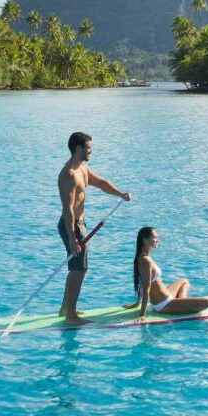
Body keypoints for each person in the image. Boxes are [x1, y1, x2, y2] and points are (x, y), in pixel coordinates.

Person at [58, 131, 130, 326]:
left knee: (77, 268)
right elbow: (68, 210)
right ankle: (71, 315)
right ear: (79, 148)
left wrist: (120, 194)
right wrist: (73, 238)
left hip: (78, 225)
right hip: (71, 225)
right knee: (79, 269)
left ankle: (65, 308)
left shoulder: (82, 169)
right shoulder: (69, 175)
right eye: (88, 147)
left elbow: (101, 183)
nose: (91, 151)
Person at [125, 226, 208, 322]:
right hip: (164, 305)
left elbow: (141, 281)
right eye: (154, 237)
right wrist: (142, 315)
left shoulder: (144, 257)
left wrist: (137, 303)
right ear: (145, 240)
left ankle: (182, 300)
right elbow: (146, 287)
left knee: (184, 281)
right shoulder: (145, 260)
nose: (157, 240)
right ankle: (182, 303)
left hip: (166, 296)